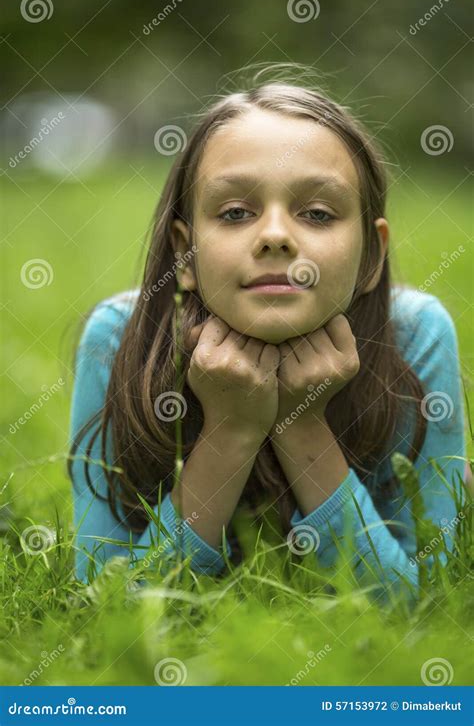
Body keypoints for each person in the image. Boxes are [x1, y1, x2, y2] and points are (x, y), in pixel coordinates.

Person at [68, 77, 468, 601]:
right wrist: (231, 431)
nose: (275, 235)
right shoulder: (118, 338)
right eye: (235, 213)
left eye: (317, 214)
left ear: (371, 255)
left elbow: (419, 602)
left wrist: (303, 425)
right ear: (184, 253)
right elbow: (108, 605)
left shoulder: (417, 335)